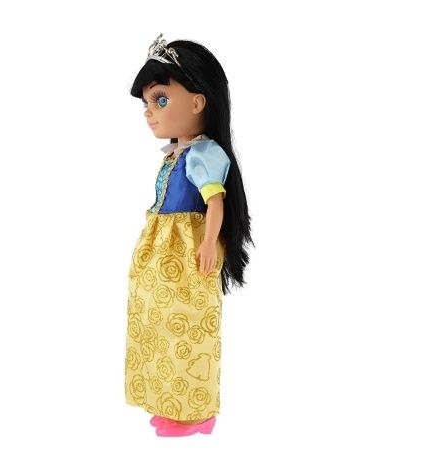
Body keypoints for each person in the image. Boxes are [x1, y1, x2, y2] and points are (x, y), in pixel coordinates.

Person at [124, 34, 253, 437]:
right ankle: (170, 401)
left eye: (160, 99)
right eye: (147, 103)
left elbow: (216, 202)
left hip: (188, 250)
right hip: (164, 249)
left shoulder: (204, 154)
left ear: (198, 103)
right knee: (161, 323)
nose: (150, 111)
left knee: (187, 326)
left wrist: (209, 243)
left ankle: (196, 411)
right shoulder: (176, 155)